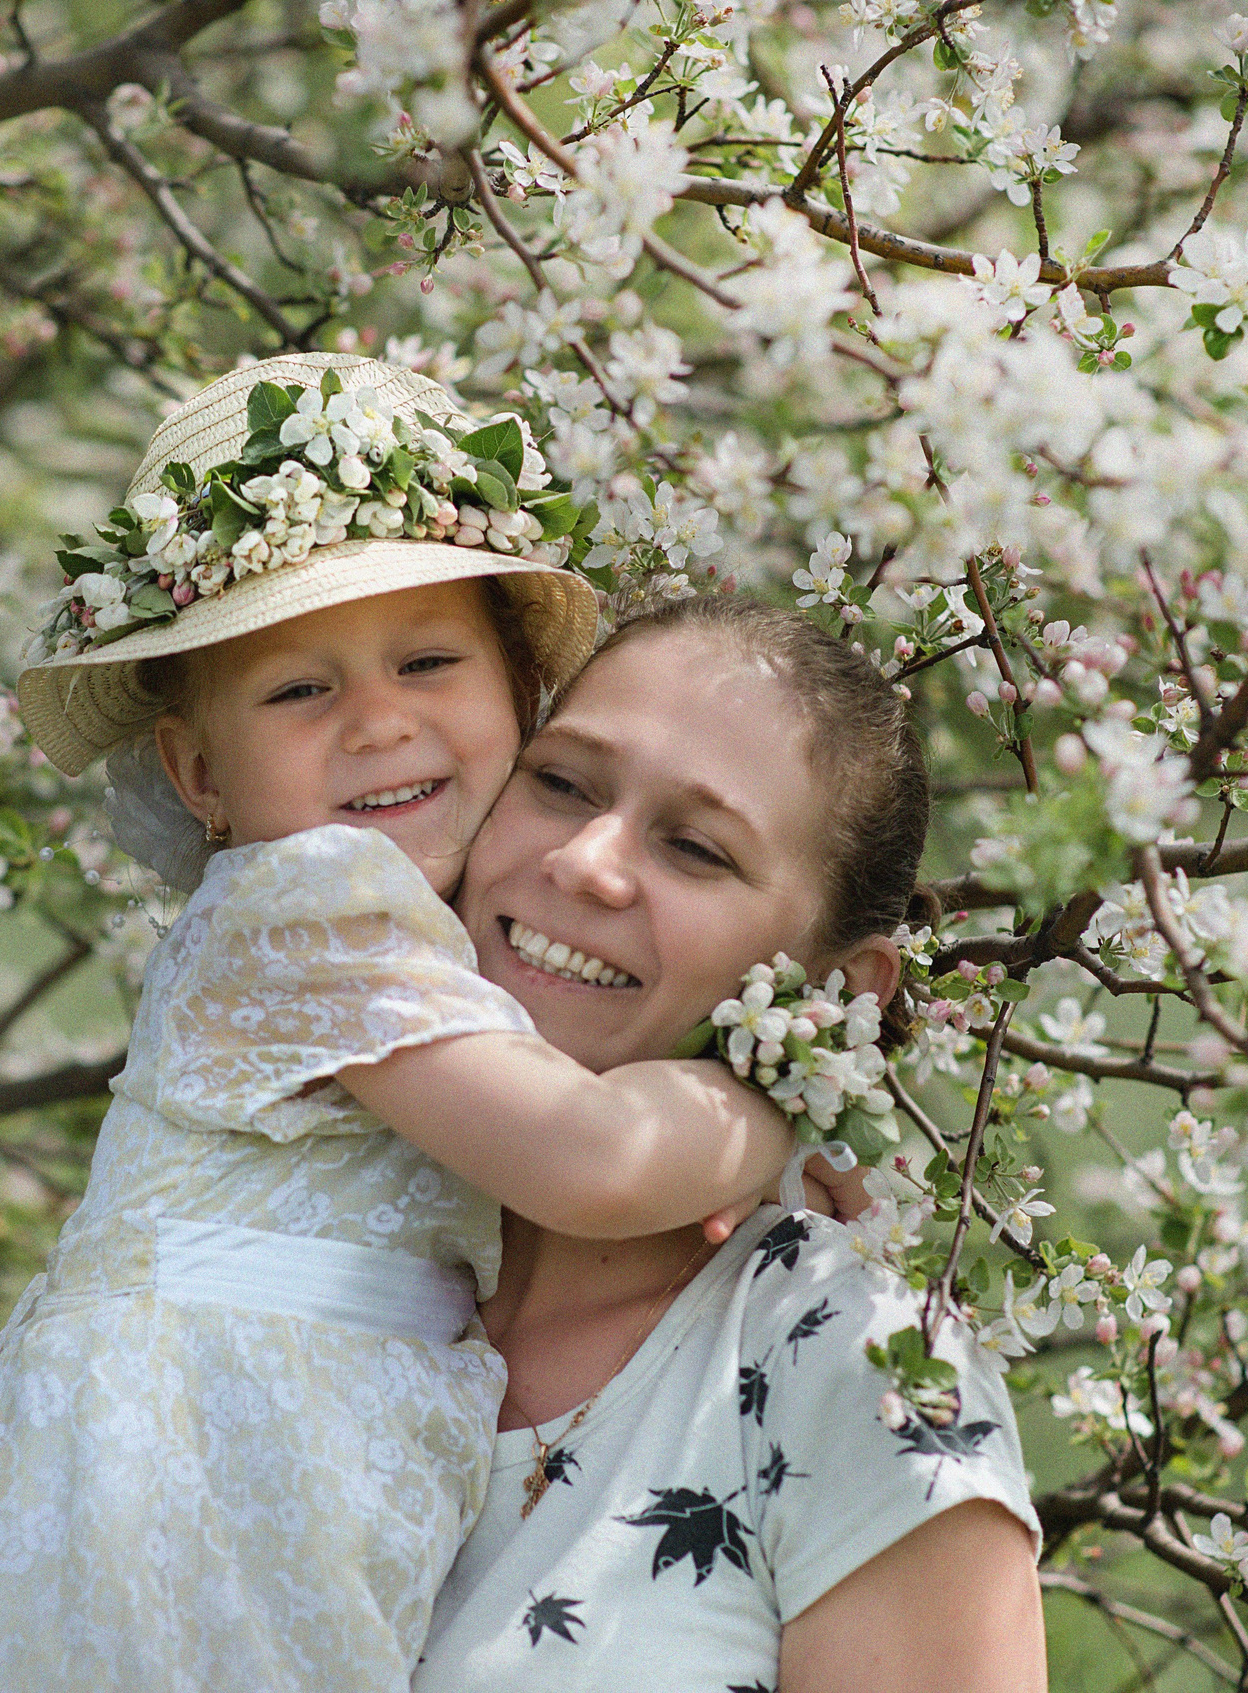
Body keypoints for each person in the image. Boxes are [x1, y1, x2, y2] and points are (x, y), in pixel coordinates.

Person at [0, 356, 800, 1693]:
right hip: (174, 1486)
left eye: (428, 661)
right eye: (297, 691)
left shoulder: (414, 945)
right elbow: (591, 1161)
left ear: (518, 693)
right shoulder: (304, 910)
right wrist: (774, 1102)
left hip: (267, 1479)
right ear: (199, 772)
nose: (378, 722)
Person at [415, 595, 1046, 1692]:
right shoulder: (288, 1208)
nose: (585, 861)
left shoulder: (862, 1367)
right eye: (560, 782)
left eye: (696, 848)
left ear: (839, 990)